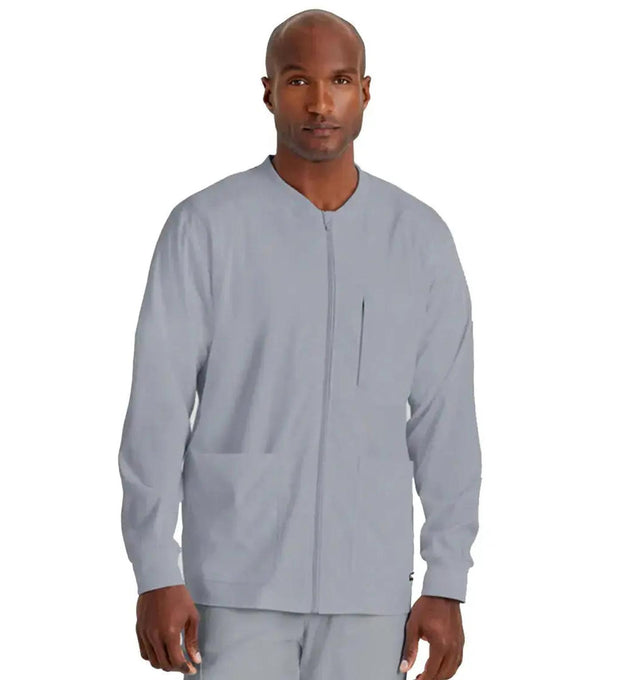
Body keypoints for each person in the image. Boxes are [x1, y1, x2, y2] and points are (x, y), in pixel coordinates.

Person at [117, 8, 482, 680]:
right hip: (232, 586)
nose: (319, 103)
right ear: (267, 92)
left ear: (365, 91)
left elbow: (446, 422)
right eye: (297, 81)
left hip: (370, 590)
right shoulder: (206, 228)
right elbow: (158, 410)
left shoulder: (418, 239)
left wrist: (447, 579)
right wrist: (155, 569)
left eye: (339, 80)